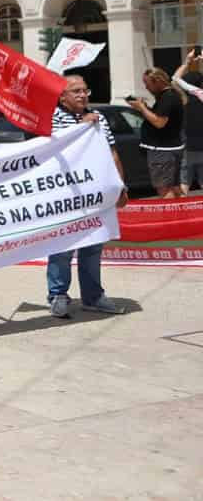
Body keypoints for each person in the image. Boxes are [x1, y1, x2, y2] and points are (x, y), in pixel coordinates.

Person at [47, 74, 130, 319]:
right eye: (76, 91)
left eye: (85, 90)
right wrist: (83, 125)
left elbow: (111, 152)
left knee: (93, 245)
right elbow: (56, 148)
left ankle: (93, 296)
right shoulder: (52, 119)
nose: (83, 95)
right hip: (65, 194)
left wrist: (120, 185)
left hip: (95, 194)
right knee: (63, 246)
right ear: (62, 96)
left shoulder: (100, 118)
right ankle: (58, 295)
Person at [131, 67, 185, 198]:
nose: (146, 88)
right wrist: (146, 108)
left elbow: (159, 123)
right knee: (174, 187)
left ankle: (171, 217)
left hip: (162, 150)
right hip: (170, 148)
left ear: (158, 82)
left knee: (165, 189)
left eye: (147, 84)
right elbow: (160, 118)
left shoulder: (167, 97)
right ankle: (182, 215)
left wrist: (142, 108)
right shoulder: (170, 96)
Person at [173, 49, 203, 191]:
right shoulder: (200, 93)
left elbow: (175, 79)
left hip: (188, 147)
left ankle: (184, 213)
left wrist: (187, 61)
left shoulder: (184, 100)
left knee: (185, 182)